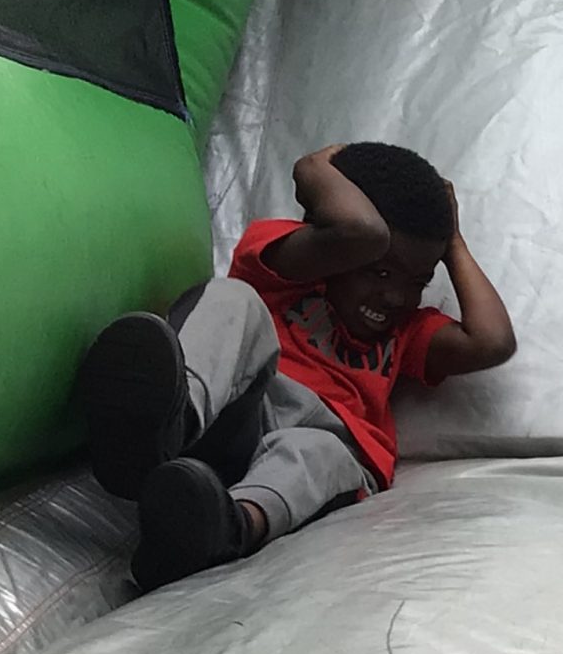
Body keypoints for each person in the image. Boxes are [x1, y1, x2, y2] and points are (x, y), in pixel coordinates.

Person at [71, 142, 517, 591]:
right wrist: (314, 165)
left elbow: (491, 341)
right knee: (233, 298)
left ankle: (220, 530)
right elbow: (359, 230)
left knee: (319, 453)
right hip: (234, 417)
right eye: (380, 272)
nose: (396, 296)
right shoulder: (286, 264)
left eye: (417, 282)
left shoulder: (407, 332)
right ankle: (158, 429)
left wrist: (453, 243)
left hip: (316, 449)